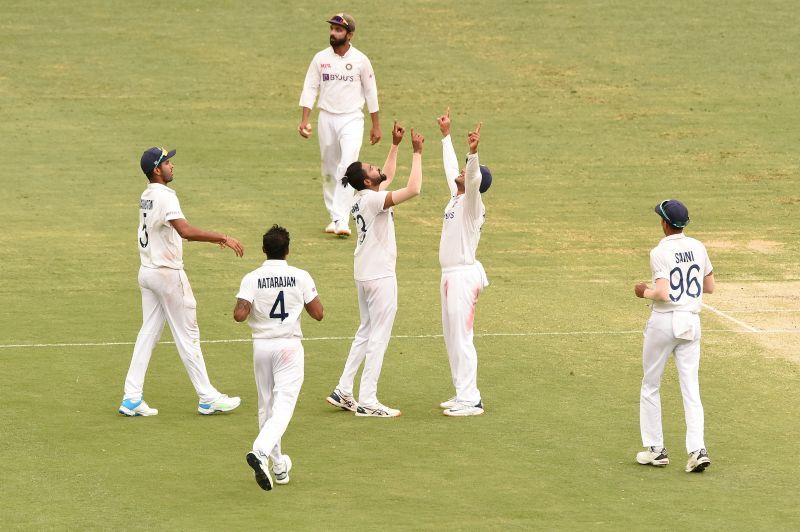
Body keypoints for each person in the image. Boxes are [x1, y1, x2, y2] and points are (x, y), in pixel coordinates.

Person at [119, 147, 244, 417]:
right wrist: (222, 237)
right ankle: (207, 397)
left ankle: (131, 397)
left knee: (148, 334)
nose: (172, 166)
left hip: (147, 271)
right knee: (189, 335)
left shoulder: (147, 195)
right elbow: (185, 231)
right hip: (167, 274)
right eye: (167, 162)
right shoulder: (165, 196)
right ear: (156, 170)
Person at [325, 123, 423, 417]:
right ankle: (368, 399)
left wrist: (395, 145)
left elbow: (387, 176)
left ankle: (343, 389)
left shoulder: (362, 198)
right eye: (370, 168)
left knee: (365, 331)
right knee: (378, 335)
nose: (376, 167)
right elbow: (414, 189)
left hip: (364, 273)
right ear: (366, 182)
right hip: (380, 276)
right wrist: (417, 153)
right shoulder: (372, 199)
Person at [235, 225, 323, 491]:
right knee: (283, 406)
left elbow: (239, 315)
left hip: (261, 347)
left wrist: (249, 306)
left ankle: (279, 467)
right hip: (288, 347)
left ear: (264, 249)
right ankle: (260, 451)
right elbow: (318, 313)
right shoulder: (300, 276)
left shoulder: (252, 277)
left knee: (266, 406)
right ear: (287, 250)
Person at [633, 199, 715, 473]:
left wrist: (642, 291)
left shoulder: (660, 251)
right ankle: (697, 450)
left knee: (651, 384)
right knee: (691, 388)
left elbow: (663, 294)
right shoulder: (698, 246)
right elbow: (710, 285)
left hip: (665, 322)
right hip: (691, 322)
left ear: (665, 224)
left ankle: (656, 449)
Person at [298, 12, 381, 237]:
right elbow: (310, 88)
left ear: (349, 34)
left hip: (352, 118)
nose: (333, 33)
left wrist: (376, 125)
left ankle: (341, 218)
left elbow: (371, 92)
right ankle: (334, 217)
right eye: (332, 29)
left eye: (339, 30)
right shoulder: (320, 59)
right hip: (326, 117)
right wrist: (304, 119)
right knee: (329, 167)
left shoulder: (361, 60)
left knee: (347, 165)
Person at [435, 109, 492, 417]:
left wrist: (473, 153)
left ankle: (471, 399)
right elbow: (451, 171)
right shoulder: (455, 197)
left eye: (465, 171)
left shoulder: (472, 204)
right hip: (449, 275)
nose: (459, 171)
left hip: (462, 276)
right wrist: (446, 135)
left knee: (462, 337)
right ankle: (462, 393)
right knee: (451, 336)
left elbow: (471, 177)